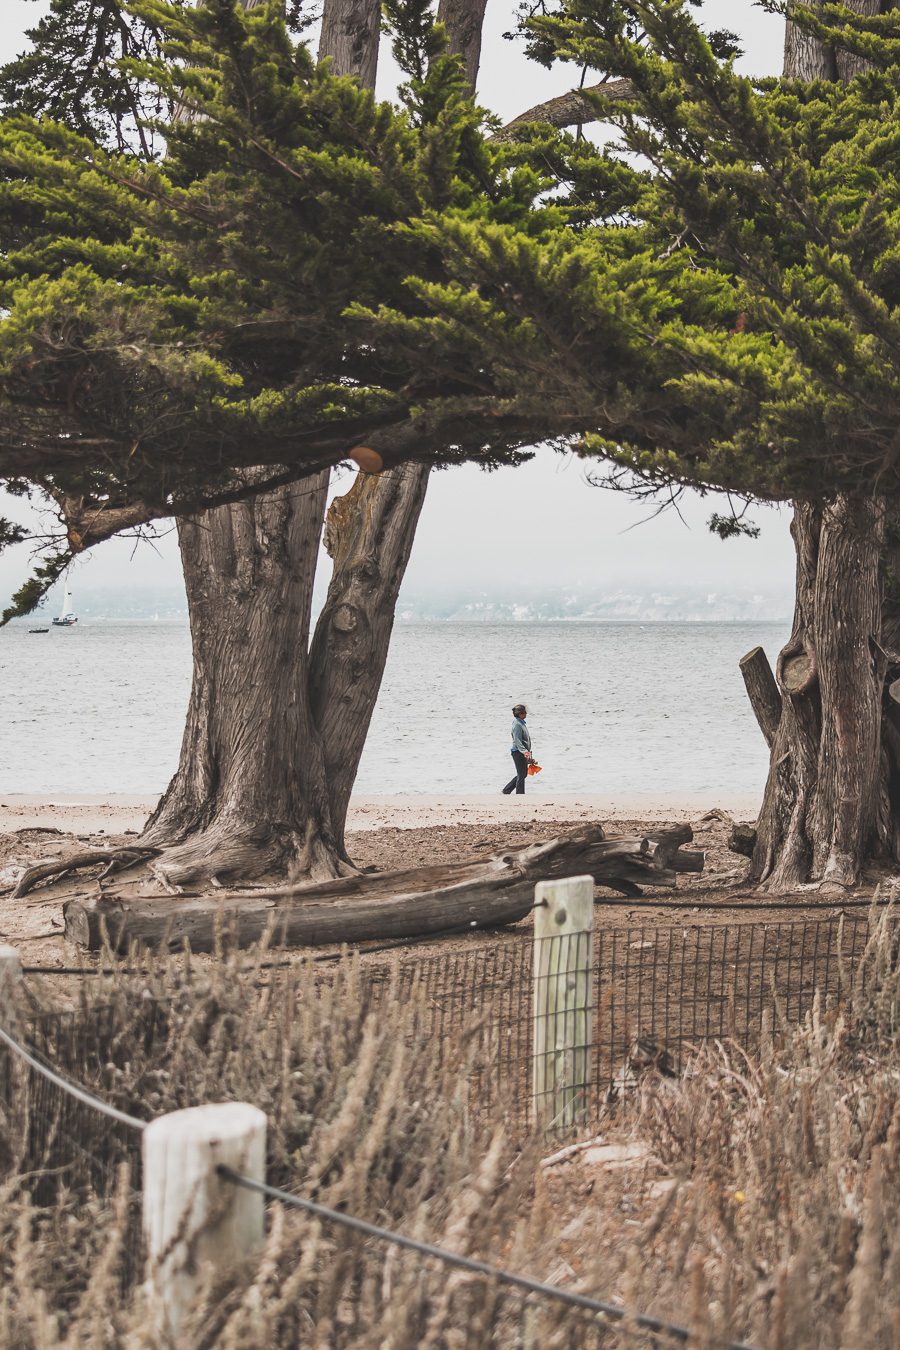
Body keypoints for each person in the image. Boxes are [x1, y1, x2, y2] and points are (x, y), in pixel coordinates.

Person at [502, 703, 532, 795]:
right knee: (521, 774)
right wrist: (524, 752)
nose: (526, 713)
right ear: (520, 714)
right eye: (524, 712)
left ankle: (507, 790)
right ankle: (520, 794)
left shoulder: (521, 723)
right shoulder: (517, 724)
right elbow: (517, 740)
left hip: (522, 752)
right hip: (518, 752)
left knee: (523, 774)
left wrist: (528, 752)